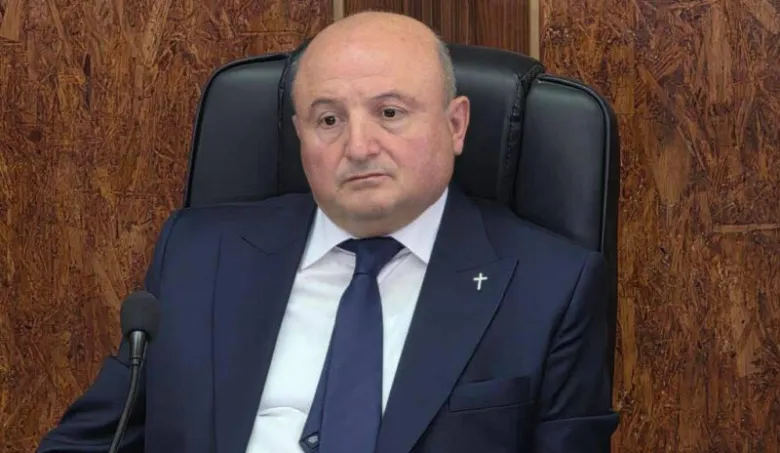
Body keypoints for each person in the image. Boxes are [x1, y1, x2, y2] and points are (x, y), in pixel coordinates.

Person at [37, 10, 618, 453]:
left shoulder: (551, 288)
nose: (358, 146)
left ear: (456, 123)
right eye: (329, 119)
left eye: (390, 113)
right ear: (300, 135)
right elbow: (91, 441)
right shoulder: (197, 255)